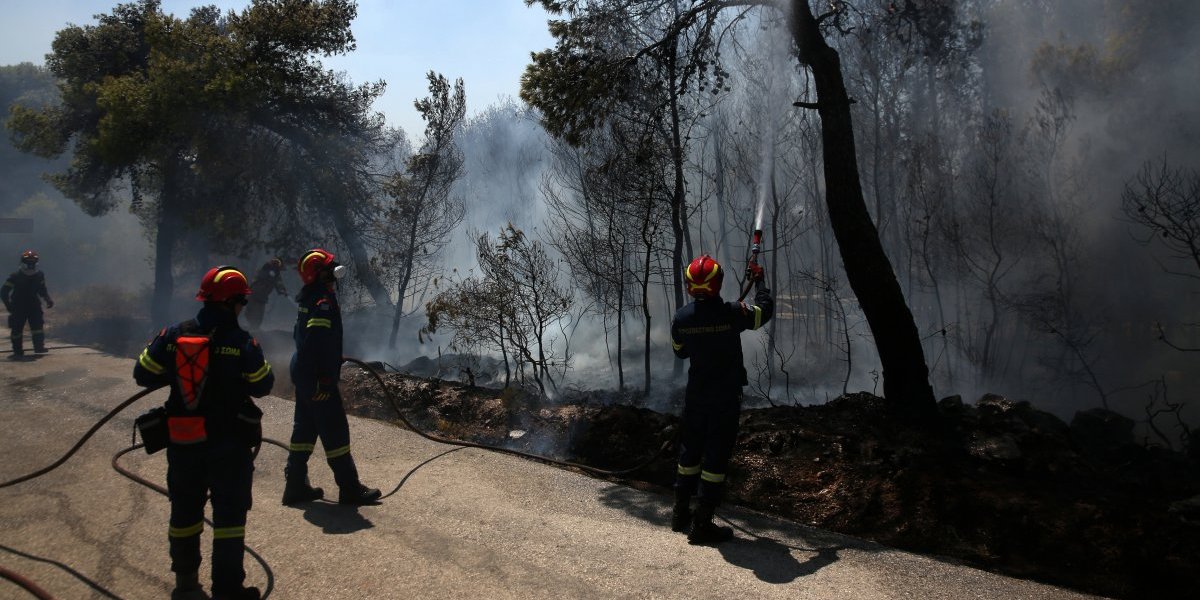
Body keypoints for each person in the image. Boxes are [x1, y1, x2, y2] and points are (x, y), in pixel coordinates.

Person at [133, 266, 273, 600]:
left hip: (184, 442)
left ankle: (186, 586)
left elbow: (143, 373)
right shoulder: (242, 343)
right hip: (229, 445)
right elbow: (263, 384)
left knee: (184, 513)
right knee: (228, 519)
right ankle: (228, 589)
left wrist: (176, 371)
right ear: (234, 302)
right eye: (242, 302)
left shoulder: (172, 335)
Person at [669, 254, 774, 545]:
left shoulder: (681, 318)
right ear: (718, 283)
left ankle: (680, 514)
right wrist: (759, 281)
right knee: (715, 457)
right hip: (724, 397)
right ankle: (702, 523)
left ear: (690, 286)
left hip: (696, 396)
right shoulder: (733, 313)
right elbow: (764, 311)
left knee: (689, 454)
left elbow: (680, 351)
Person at [282, 248, 380, 506]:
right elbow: (316, 342)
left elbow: (305, 341)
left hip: (303, 373)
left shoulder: (309, 298)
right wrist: (324, 377)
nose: (335, 273)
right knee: (334, 429)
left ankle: (294, 486)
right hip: (315, 376)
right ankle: (349, 489)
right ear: (319, 274)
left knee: (304, 429)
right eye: (329, 269)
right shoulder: (322, 302)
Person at [3, 250, 54, 358]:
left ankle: (39, 347)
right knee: (17, 329)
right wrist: (9, 306)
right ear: (23, 263)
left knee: (38, 327)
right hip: (18, 306)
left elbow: (42, 289)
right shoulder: (15, 276)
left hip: (34, 305)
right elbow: (4, 291)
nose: (31, 264)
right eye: (28, 262)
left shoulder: (39, 275)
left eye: (33, 262)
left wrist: (48, 299)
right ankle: (17, 351)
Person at [243, 257, 287, 330]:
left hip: (261, 297)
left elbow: (279, 284)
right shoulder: (264, 270)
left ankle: (255, 328)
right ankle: (252, 326)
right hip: (254, 294)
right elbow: (258, 278)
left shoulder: (276, 275)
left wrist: (283, 291)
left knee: (258, 314)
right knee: (250, 312)